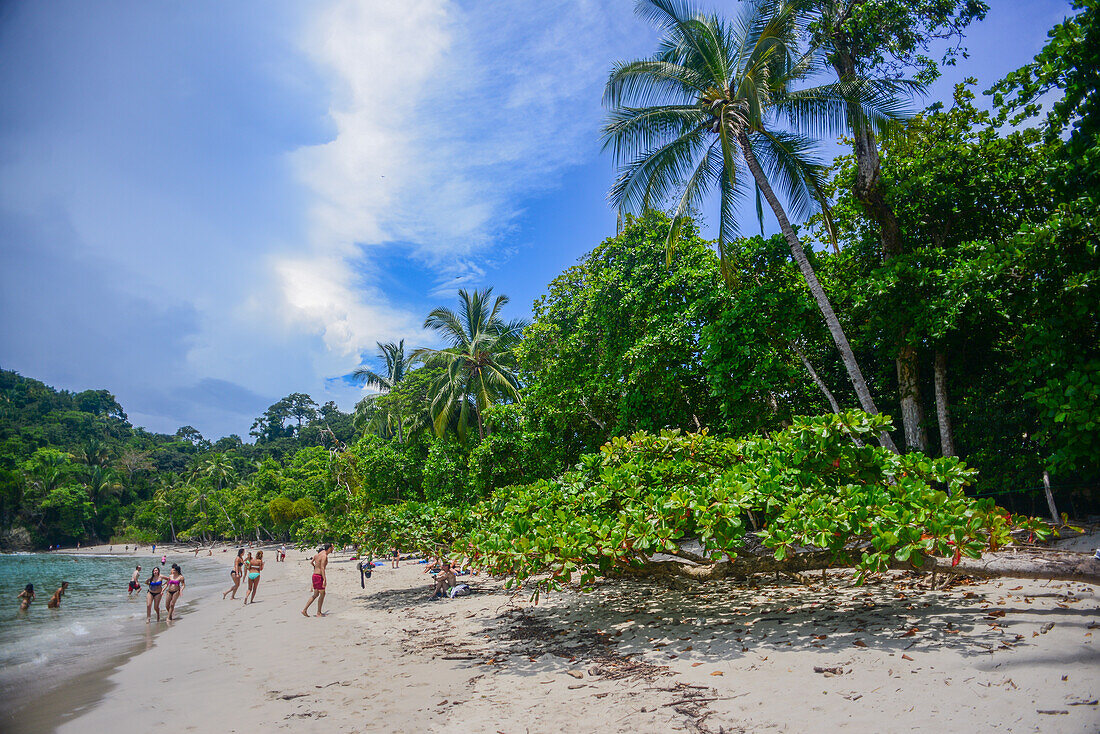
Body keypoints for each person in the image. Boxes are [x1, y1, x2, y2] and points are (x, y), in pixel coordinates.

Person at [302, 543, 332, 617]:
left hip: (314, 575)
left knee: (315, 594)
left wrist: (315, 567)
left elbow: (313, 563)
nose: (333, 549)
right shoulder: (324, 556)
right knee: (322, 594)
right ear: (329, 548)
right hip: (319, 576)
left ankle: (304, 610)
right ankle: (318, 612)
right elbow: (322, 568)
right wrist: (325, 579)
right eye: (333, 547)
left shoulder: (317, 555)